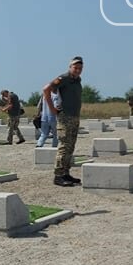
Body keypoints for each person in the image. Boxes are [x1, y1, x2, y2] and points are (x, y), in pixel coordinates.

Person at [44, 56, 84, 187]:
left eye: (80, 68)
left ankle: (66, 172)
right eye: (75, 67)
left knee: (71, 146)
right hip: (65, 117)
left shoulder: (77, 80)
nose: (78, 70)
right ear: (70, 67)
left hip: (74, 117)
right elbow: (46, 89)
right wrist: (52, 109)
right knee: (64, 146)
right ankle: (58, 175)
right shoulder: (64, 78)